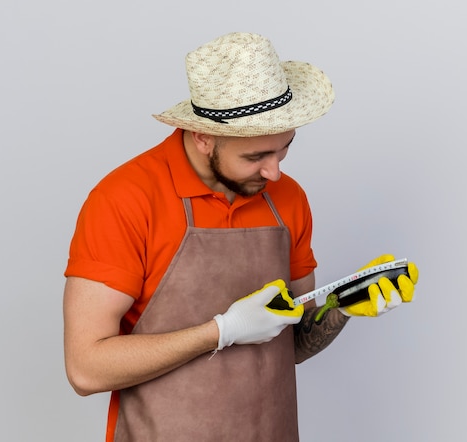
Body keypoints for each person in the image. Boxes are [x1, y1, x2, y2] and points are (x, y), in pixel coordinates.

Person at [62, 32, 419, 442]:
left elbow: (293, 345)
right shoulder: (125, 200)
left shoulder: (289, 199)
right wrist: (223, 330)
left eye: (283, 150)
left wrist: (342, 307)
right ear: (203, 136)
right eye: (255, 157)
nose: (274, 174)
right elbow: (86, 369)